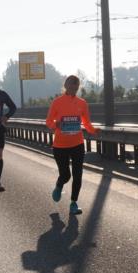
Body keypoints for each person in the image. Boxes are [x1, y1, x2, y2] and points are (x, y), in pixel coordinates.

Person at [45, 75, 97, 215]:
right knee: (66, 175)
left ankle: (73, 203)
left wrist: (94, 131)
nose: (73, 89)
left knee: (77, 175)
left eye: (76, 86)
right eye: (71, 86)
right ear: (66, 86)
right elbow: (48, 122)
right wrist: (56, 124)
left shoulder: (82, 103)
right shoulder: (57, 102)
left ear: (78, 87)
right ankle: (59, 185)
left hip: (77, 144)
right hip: (60, 146)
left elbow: (86, 123)